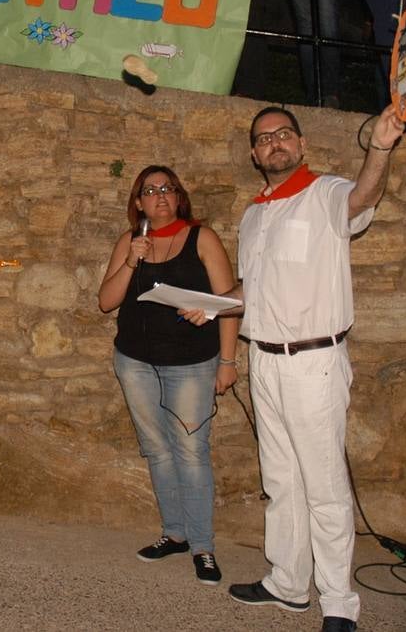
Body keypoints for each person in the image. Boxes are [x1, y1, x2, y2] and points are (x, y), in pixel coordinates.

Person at [218, 103, 405, 632]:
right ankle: (288, 582)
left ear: (300, 145)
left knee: (323, 487)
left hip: (314, 360)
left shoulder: (326, 192)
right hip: (265, 361)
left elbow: (364, 195)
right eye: (263, 138)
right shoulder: (253, 215)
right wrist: (210, 304)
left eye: (283, 134)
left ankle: (340, 602)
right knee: (280, 480)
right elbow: (251, 291)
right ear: (255, 154)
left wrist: (381, 147)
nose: (273, 143)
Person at [97, 165, 238, 585]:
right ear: (138, 202)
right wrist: (129, 261)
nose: (160, 195)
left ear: (179, 197)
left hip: (192, 365)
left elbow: (229, 302)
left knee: (192, 452)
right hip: (135, 362)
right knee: (157, 449)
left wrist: (228, 362)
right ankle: (174, 533)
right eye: (150, 190)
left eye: (168, 188)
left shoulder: (202, 237)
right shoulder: (129, 241)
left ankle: (203, 546)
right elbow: (106, 301)